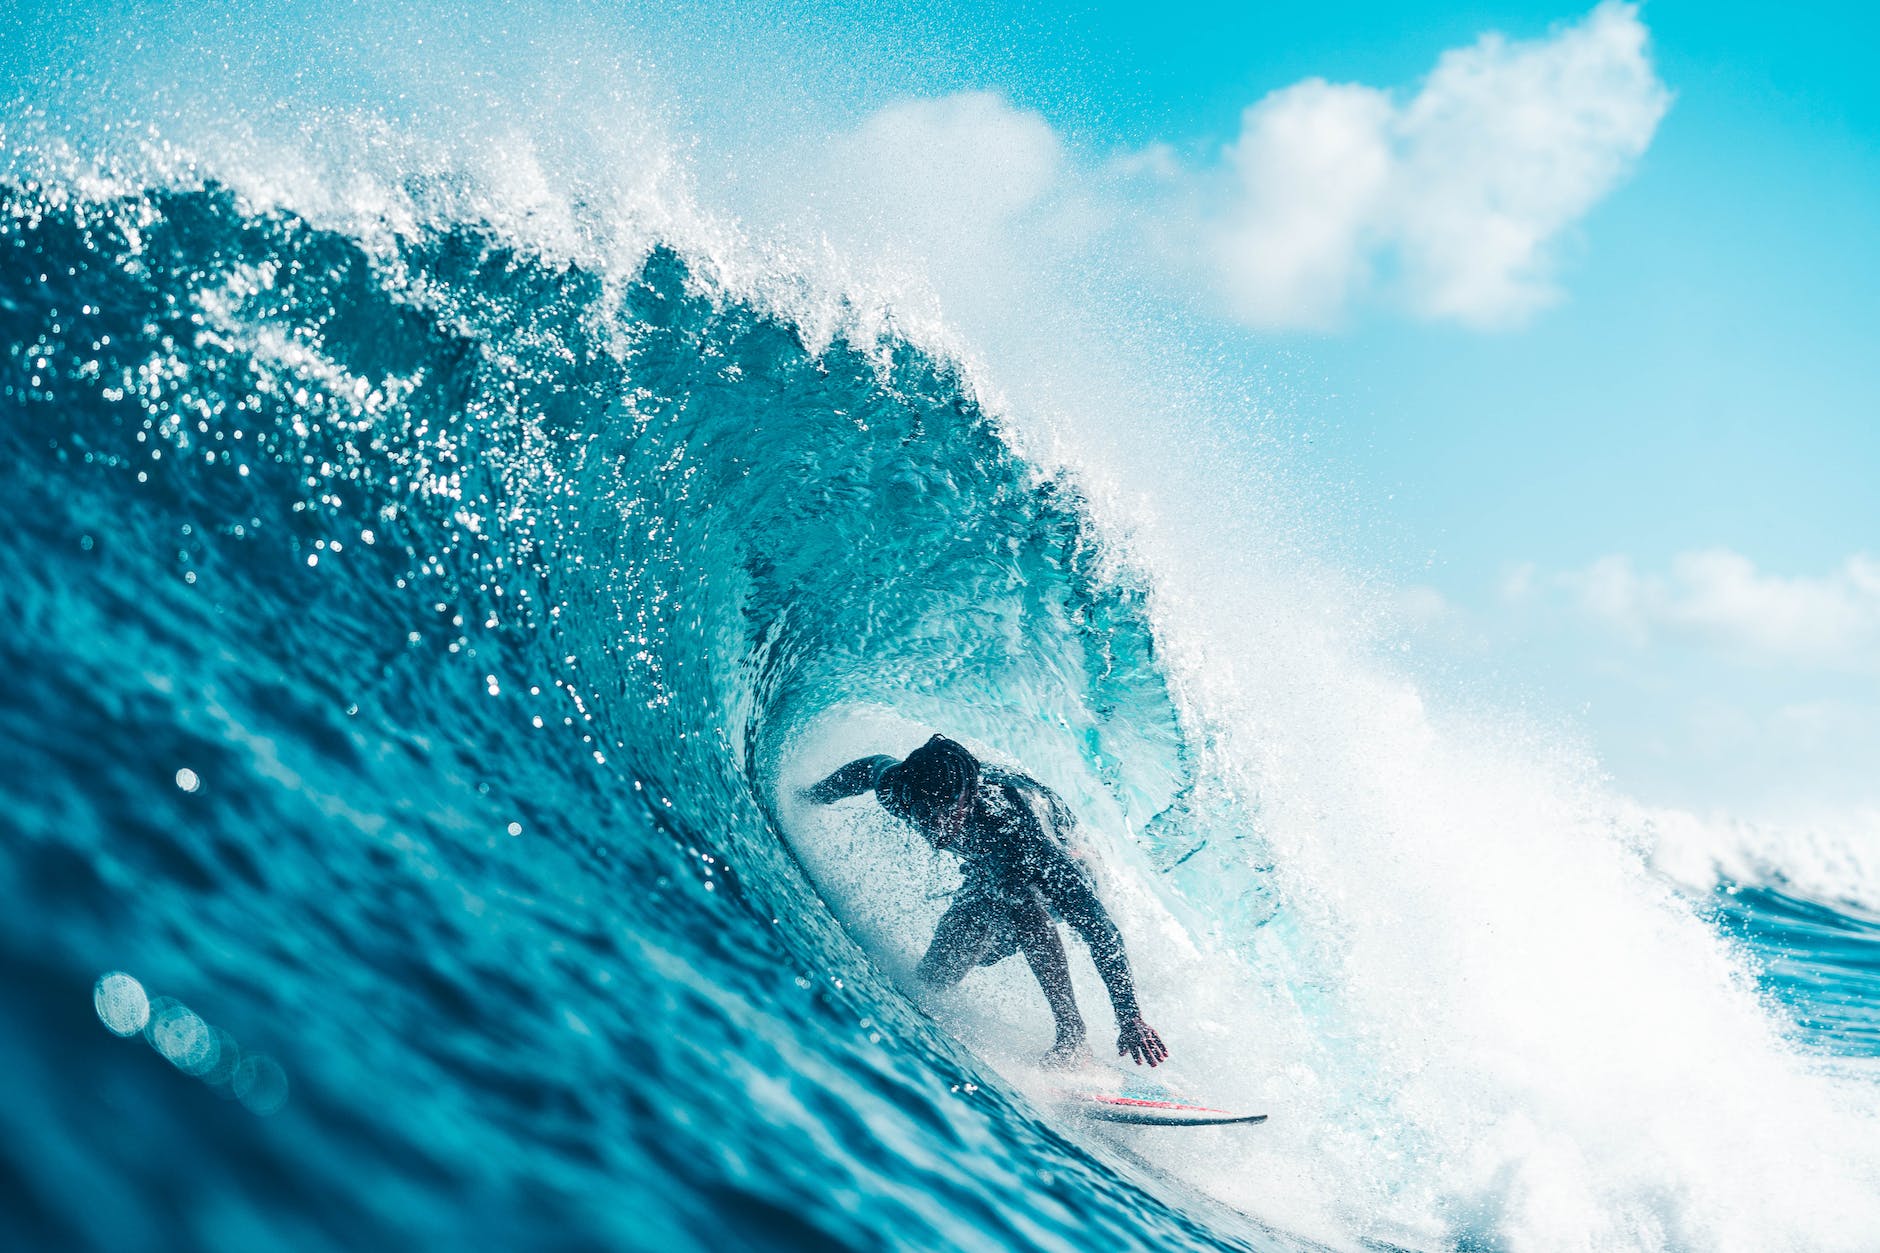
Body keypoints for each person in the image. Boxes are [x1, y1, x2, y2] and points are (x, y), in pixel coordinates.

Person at [803, 734, 1168, 1069]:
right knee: (938, 971)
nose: (933, 827)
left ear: (966, 799)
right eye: (923, 815)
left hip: (1066, 852)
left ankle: (1073, 1037)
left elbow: (1100, 929)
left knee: (1017, 901)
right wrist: (809, 797)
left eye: (944, 815)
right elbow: (870, 766)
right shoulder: (901, 789)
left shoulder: (1019, 835)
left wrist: (1129, 1016)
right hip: (993, 867)